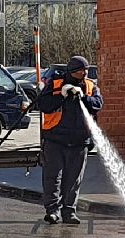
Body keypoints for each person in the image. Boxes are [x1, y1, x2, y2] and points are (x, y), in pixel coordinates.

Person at [29, 55, 101, 225]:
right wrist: (61, 95)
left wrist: (83, 96)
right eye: (80, 70)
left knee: (73, 180)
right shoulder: (55, 84)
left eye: (85, 70)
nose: (84, 73)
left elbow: (98, 104)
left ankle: (69, 212)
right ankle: (53, 211)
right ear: (71, 71)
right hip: (55, 139)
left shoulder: (90, 86)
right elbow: (43, 105)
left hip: (80, 141)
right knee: (52, 178)